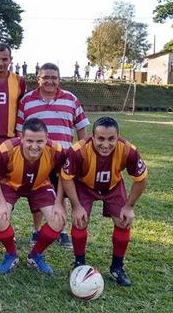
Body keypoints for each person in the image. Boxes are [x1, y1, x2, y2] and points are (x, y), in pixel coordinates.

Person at [64, 116, 148, 286]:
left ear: (118, 137)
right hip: (84, 186)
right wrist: (76, 206)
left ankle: (117, 267)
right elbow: (66, 178)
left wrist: (129, 206)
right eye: (100, 138)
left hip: (113, 186)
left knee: (123, 222)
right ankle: (79, 263)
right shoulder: (78, 150)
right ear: (92, 137)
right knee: (80, 221)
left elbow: (141, 179)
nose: (106, 144)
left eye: (111, 139)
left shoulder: (128, 150)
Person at [16, 62, 90, 249]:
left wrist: (81, 153)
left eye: (53, 78)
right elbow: (19, 132)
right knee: (38, 194)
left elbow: (82, 128)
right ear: (38, 79)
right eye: (46, 77)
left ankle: (61, 230)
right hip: (36, 158)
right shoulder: (26, 100)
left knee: (61, 194)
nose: (50, 81)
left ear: (59, 80)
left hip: (62, 158)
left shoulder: (71, 99)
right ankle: (36, 229)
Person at [0, 118, 69, 276]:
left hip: (40, 185)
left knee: (58, 219)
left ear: (47, 137)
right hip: (10, 184)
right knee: (0, 217)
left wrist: (59, 202)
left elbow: (64, 176)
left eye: (40, 141)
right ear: (21, 138)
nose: (34, 146)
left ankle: (35, 255)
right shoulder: (6, 149)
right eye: (30, 141)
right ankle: (11, 255)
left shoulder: (57, 150)